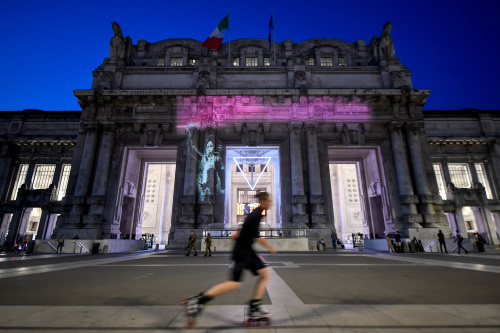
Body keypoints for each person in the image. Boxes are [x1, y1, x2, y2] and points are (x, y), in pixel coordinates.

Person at [181, 192, 277, 328]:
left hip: (246, 250)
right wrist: (270, 247)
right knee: (234, 284)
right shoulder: (257, 214)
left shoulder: (258, 213)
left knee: (265, 274)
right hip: (243, 252)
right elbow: (256, 236)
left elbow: (246, 226)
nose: (270, 203)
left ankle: (254, 306)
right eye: (268, 201)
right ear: (262, 202)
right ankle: (198, 300)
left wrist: (239, 233)